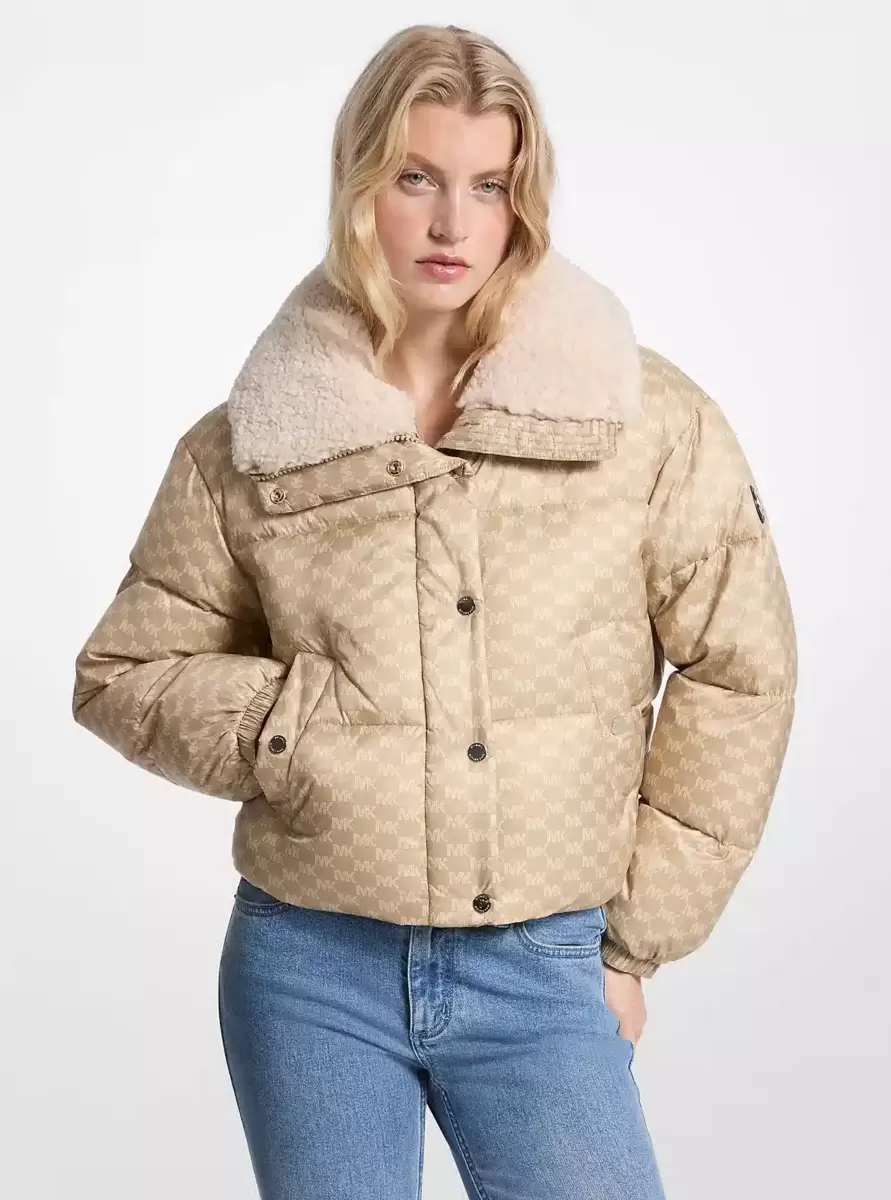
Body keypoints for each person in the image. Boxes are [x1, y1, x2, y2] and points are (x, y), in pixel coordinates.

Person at [71, 21, 797, 1200]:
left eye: (489, 186)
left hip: (547, 966)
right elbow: (124, 672)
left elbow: (741, 667)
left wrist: (632, 941)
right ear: (361, 184)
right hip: (309, 965)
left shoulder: (640, 420)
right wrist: (295, 726)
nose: (454, 223)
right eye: (417, 179)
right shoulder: (257, 439)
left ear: (525, 200)